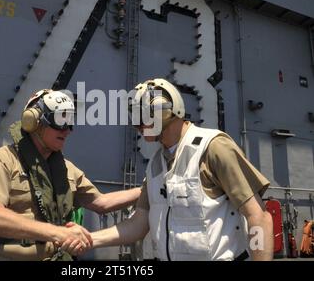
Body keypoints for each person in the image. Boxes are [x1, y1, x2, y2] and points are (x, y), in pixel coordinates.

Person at [79, 78, 273, 261]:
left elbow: (258, 217)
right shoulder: (156, 164)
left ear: (162, 112)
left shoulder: (213, 147)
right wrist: (88, 239)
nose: (136, 126)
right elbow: (138, 224)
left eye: (141, 116)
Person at [0, 89, 141, 261]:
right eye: (61, 120)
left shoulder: (67, 170)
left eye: (69, 122)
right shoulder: (2, 160)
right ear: (33, 121)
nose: (67, 130)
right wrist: (59, 233)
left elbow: (101, 202)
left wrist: (147, 189)